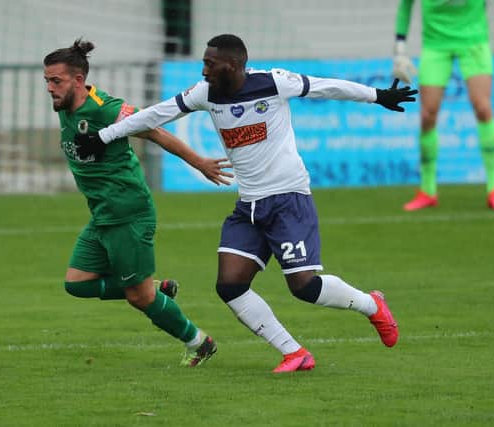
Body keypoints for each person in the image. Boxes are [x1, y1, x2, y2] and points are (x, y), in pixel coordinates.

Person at [76, 34, 416, 372]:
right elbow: (156, 115)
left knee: (305, 287)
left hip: (288, 199)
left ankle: (373, 306)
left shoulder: (274, 82)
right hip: (249, 205)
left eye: (211, 64)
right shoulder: (204, 93)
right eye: (203, 63)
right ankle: (294, 353)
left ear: (234, 65)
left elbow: (326, 86)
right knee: (230, 285)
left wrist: (378, 96)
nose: (204, 70)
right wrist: (103, 137)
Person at [43, 39, 234, 367]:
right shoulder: (67, 106)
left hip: (127, 212)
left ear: (77, 80)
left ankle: (198, 342)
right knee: (76, 283)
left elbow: (154, 131)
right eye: (46, 81)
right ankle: (156, 286)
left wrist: (199, 162)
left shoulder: (104, 107)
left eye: (55, 81)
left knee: (139, 297)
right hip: (102, 214)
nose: (49, 88)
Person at [393, 0, 494, 211]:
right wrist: (400, 48)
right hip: (436, 45)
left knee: (483, 108)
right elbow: (406, 5)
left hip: (473, 42)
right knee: (428, 115)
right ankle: (427, 190)